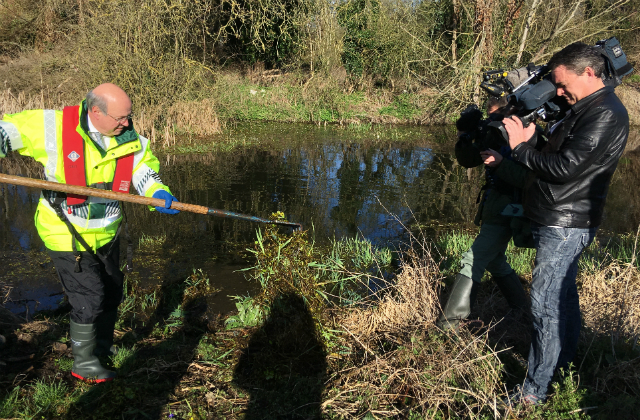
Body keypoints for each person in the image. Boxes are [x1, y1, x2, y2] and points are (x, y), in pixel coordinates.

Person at [0, 83, 180, 383]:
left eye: (128, 116)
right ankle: (83, 364)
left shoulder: (129, 137)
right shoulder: (53, 126)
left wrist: (158, 191)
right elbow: (9, 130)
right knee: (89, 298)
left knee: (111, 290)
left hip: (107, 232)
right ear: (95, 111)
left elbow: (144, 170)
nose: (126, 123)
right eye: (120, 118)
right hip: (64, 231)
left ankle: (102, 348)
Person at [502, 42, 629, 405]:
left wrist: (520, 148)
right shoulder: (585, 108)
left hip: (566, 223)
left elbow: (564, 169)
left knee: (544, 306)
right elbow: (561, 155)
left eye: (561, 83)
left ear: (589, 73)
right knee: (562, 299)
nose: (557, 91)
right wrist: (536, 140)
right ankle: (562, 368)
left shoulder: (605, 113)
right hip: (560, 218)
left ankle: (534, 393)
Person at [436, 96, 531, 330]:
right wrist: (465, 134)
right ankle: (522, 309)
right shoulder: (493, 132)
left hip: (512, 209)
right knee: (495, 260)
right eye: (490, 116)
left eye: (497, 115)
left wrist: (500, 163)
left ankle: (450, 326)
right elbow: (468, 161)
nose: (493, 121)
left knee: (473, 259)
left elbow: (528, 180)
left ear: (512, 111)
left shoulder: (526, 134)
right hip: (494, 206)